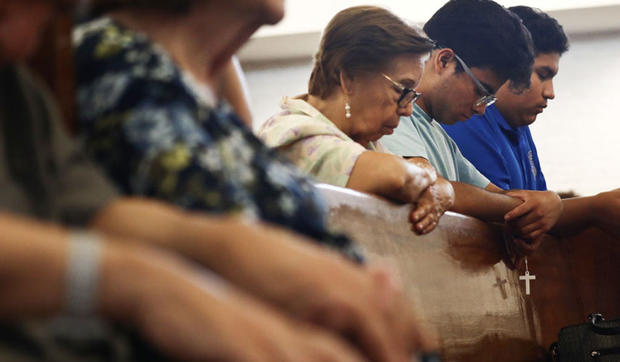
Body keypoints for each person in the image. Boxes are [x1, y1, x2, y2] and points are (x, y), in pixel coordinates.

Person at [0, 0, 437, 360]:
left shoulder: (18, 87)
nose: (32, 37)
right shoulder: (111, 63)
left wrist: (229, 245)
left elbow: (91, 211)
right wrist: (148, 281)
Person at [380, 0, 566, 246]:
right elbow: (423, 184)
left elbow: (493, 194)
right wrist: (521, 209)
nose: (481, 109)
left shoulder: (440, 136)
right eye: (482, 91)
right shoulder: (394, 117)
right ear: (444, 61)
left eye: (489, 99)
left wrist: (550, 202)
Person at [257, 6, 451, 235]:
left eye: (413, 95)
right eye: (403, 90)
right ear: (349, 77)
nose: (408, 110)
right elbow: (399, 177)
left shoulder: (362, 142)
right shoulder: (294, 134)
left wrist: (444, 187)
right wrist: (432, 177)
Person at [442, 6, 620, 239]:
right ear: (513, 66)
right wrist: (596, 207)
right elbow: (511, 222)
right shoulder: (467, 119)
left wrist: (595, 205)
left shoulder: (517, 125)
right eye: (542, 75)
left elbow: (540, 212)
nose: (551, 93)